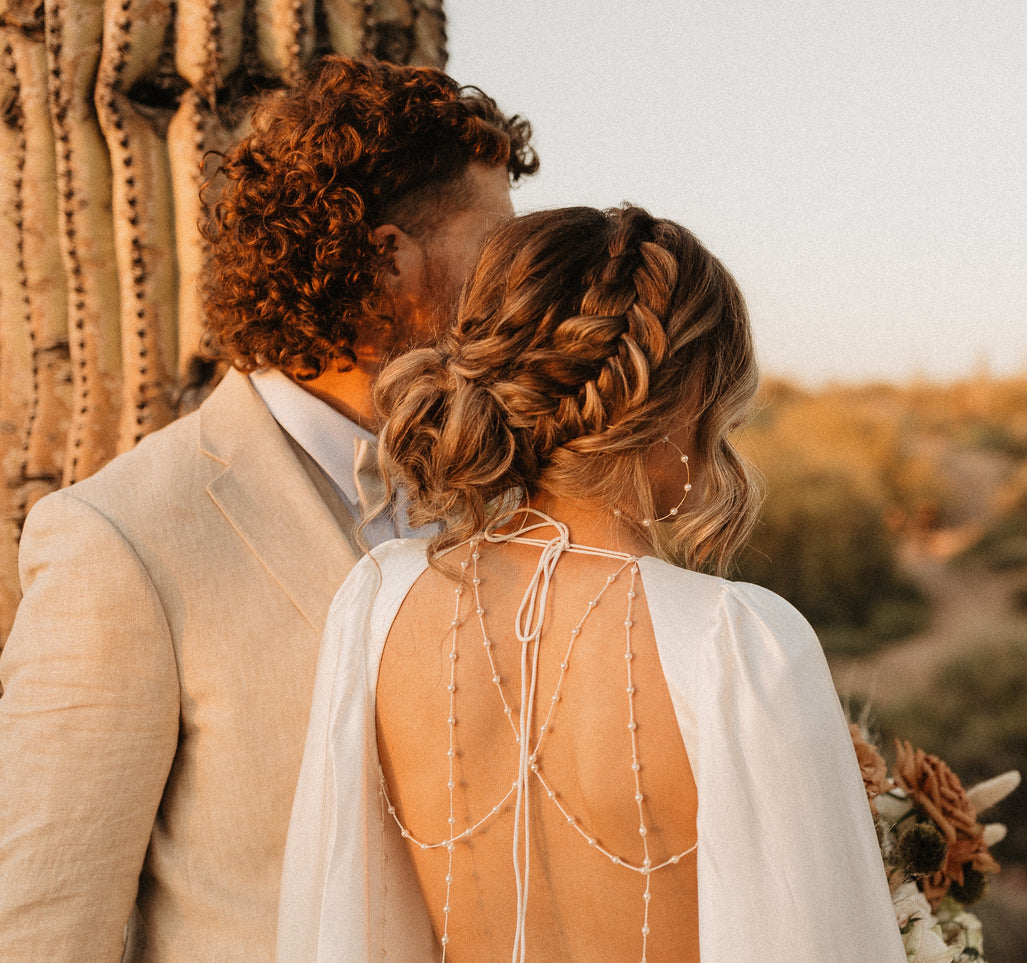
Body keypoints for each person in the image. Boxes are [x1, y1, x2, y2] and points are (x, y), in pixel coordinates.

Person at [0, 56, 536, 960]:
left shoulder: (510, 495)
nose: (518, 284)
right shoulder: (122, 539)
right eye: (495, 249)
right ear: (387, 258)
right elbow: (46, 923)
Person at [276, 205, 907, 962]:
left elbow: (337, 911)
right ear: (682, 400)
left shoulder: (378, 601)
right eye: (723, 408)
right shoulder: (734, 643)